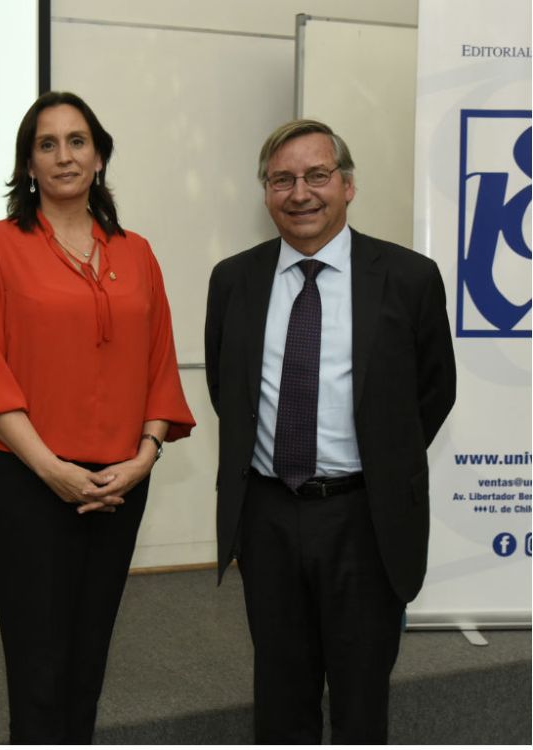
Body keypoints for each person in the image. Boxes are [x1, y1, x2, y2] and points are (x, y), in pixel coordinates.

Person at [0, 91, 195, 744]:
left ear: (99, 156)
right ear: (28, 164)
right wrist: (50, 468)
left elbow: (160, 364)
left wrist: (144, 459)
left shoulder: (137, 252)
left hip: (120, 485)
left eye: (77, 140)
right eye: (47, 143)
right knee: (39, 668)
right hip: (24, 481)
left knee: (88, 660)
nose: (64, 155)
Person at [204, 119, 456, 743]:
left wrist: (381, 459)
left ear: (347, 185)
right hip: (266, 514)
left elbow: (434, 391)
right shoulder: (233, 279)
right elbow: (226, 391)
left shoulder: (409, 277)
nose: (300, 193)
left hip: (364, 518)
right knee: (280, 693)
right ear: (265, 193)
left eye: (317, 175)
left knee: (361, 696)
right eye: (281, 179)